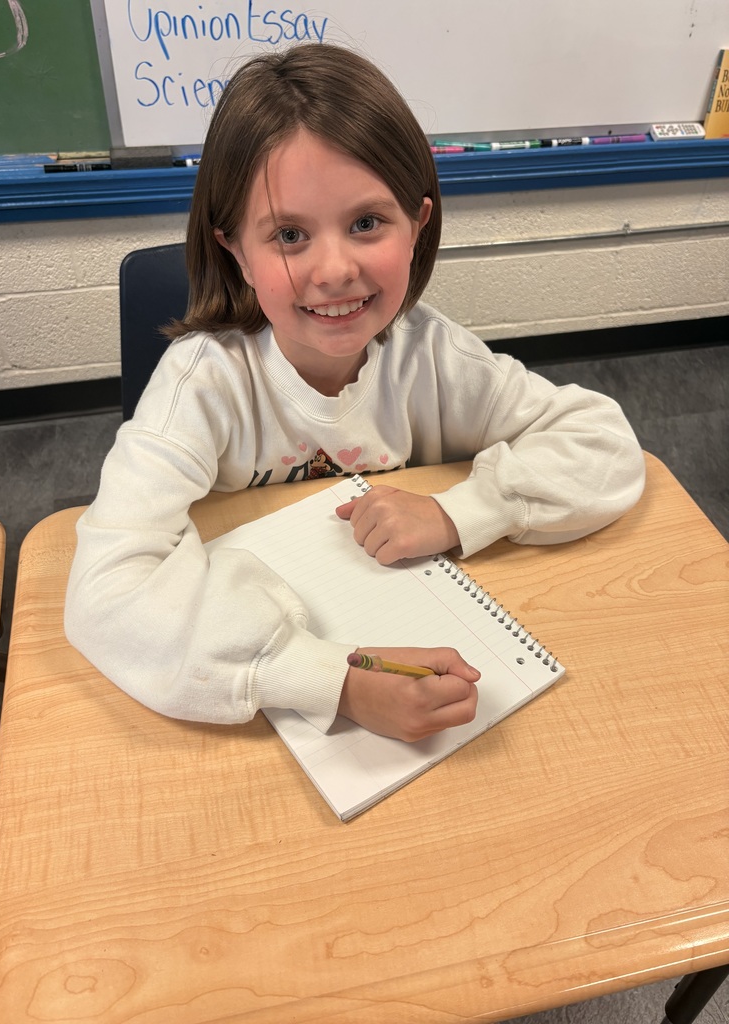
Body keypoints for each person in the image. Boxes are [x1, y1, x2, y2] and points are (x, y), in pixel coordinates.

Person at [65, 42, 645, 742]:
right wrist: (328, 680)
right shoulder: (205, 385)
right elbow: (108, 589)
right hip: (289, 706)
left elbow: (600, 440)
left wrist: (462, 513)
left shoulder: (429, 355)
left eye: (366, 223)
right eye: (289, 235)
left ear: (417, 224)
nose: (335, 270)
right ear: (235, 252)